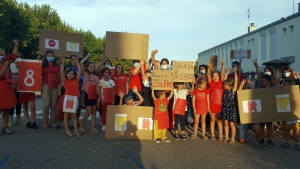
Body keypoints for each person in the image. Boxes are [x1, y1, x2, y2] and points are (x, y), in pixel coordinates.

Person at [79, 53, 101, 133]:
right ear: (87, 67)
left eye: (93, 67)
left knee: (94, 112)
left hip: (94, 95)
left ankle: (93, 128)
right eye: (90, 67)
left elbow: (97, 87)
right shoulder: (85, 74)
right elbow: (81, 62)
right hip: (87, 94)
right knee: (88, 112)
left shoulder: (96, 76)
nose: (92, 68)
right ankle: (81, 126)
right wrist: (87, 56)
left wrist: (99, 97)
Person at [238, 79, 262, 149]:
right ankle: (241, 132)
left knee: (258, 128)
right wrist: (241, 85)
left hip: (251, 119)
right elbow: (238, 94)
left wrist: (251, 85)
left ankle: (256, 142)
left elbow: (254, 93)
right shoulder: (241, 95)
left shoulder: (252, 96)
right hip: (243, 120)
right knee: (242, 141)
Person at [60, 58, 81, 136]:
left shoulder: (76, 80)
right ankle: (67, 130)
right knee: (66, 115)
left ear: (74, 75)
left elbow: (79, 71)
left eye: (72, 74)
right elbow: (61, 71)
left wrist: (78, 63)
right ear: (66, 74)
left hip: (75, 99)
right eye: (68, 73)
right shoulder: (65, 81)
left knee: (74, 115)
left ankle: (75, 129)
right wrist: (62, 63)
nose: (70, 75)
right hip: (67, 98)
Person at [0, 42, 18, 134]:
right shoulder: (5, 64)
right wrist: (6, 65)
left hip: (7, 88)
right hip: (1, 88)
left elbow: (13, 55)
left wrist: (16, 45)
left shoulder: (6, 62)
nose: (2, 56)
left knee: (6, 109)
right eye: (0, 54)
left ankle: (5, 127)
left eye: (3, 54)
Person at [207, 58, 226, 141]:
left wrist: (222, 65)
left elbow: (222, 73)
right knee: (212, 119)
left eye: (216, 76)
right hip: (212, 104)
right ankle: (212, 134)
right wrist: (209, 68)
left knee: (219, 120)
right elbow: (208, 75)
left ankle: (221, 135)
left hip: (219, 104)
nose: (215, 77)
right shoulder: (211, 83)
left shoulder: (221, 82)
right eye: (213, 76)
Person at [218, 67, 239, 144]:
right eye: (224, 85)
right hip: (225, 109)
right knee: (225, 123)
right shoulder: (224, 91)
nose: (224, 86)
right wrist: (226, 72)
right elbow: (224, 79)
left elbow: (236, 81)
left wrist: (235, 72)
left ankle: (232, 138)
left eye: (225, 85)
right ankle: (226, 137)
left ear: (230, 86)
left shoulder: (233, 91)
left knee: (231, 124)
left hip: (231, 109)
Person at [41, 50, 60, 129]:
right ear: (46, 57)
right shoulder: (42, 65)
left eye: (51, 55)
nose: (50, 57)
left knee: (54, 105)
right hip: (45, 85)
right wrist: (40, 80)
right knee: (46, 105)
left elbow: (60, 75)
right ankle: (45, 122)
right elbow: (37, 74)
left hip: (55, 86)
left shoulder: (57, 65)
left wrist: (60, 85)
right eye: (48, 55)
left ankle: (52, 122)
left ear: (54, 56)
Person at [279, 78, 300, 150]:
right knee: (286, 129)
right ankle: (287, 142)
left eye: (285, 85)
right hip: (285, 113)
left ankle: (297, 143)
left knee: (295, 129)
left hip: (293, 114)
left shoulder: (295, 93)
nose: (283, 86)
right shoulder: (282, 91)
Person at [258, 74, 275, 147]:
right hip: (262, 108)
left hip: (270, 109)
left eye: (264, 82)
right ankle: (262, 139)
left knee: (269, 125)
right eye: (261, 82)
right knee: (262, 125)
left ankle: (269, 139)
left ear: (269, 81)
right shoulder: (261, 90)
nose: (262, 83)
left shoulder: (274, 89)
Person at [9, 52, 25, 126]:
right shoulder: (9, 65)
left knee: (19, 103)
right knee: (12, 103)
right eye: (17, 56)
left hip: (20, 86)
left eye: (20, 57)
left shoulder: (23, 67)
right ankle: (10, 119)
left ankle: (18, 118)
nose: (18, 58)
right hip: (12, 86)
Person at [68, 55, 84, 127]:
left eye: (76, 59)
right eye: (73, 59)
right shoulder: (69, 68)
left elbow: (83, 74)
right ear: (70, 61)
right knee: (71, 106)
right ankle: (71, 122)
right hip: (72, 89)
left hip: (81, 88)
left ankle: (77, 121)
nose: (74, 61)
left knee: (79, 106)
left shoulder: (80, 67)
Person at [99, 67, 115, 132]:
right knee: (104, 112)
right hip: (103, 100)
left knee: (110, 112)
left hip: (110, 100)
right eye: (105, 72)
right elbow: (99, 91)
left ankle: (110, 124)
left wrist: (113, 100)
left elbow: (113, 91)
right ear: (103, 73)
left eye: (108, 72)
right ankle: (104, 125)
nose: (107, 74)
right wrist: (100, 99)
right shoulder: (100, 81)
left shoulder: (112, 81)